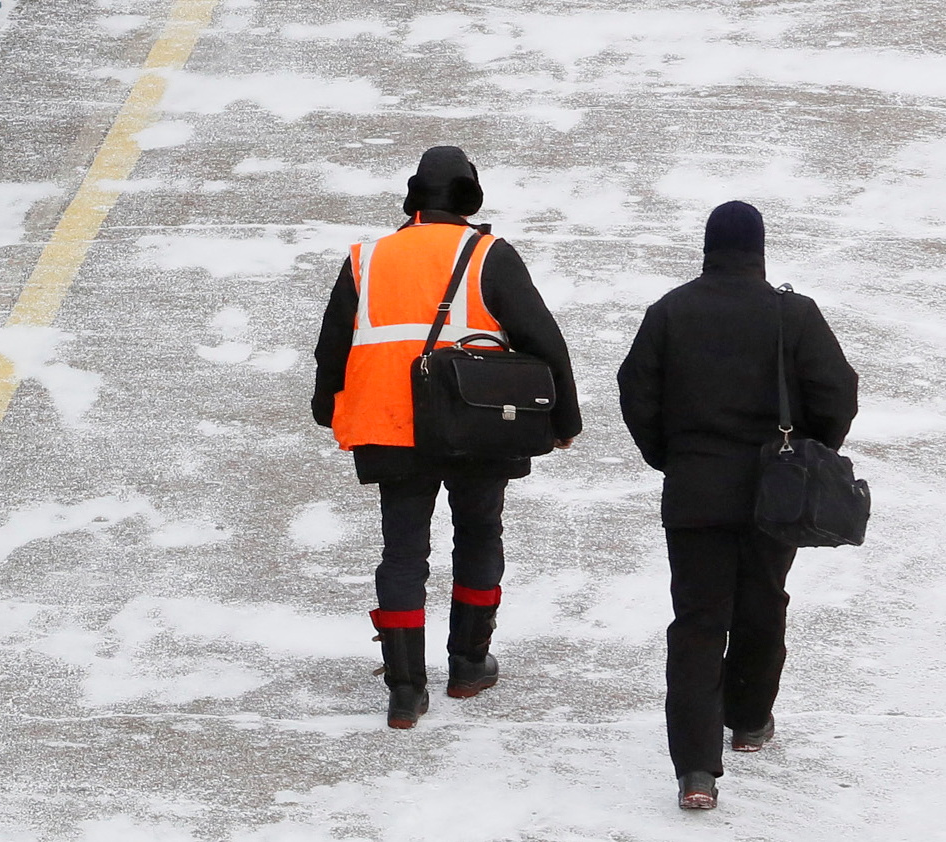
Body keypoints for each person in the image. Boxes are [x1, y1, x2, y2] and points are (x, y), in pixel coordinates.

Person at [312, 146, 581, 726]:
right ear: (469, 197)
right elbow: (545, 342)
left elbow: (332, 348)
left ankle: (406, 691)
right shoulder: (489, 254)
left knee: (403, 551)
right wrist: (565, 421)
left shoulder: (367, 259)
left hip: (391, 427)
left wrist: (325, 407)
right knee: (479, 533)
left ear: (414, 197)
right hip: (477, 427)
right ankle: (468, 665)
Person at [617, 201, 856, 813]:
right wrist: (808, 450)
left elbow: (635, 389)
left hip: (695, 490)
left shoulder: (670, 311)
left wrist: (669, 455)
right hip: (773, 491)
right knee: (764, 601)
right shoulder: (791, 312)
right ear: (760, 249)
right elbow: (837, 390)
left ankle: (697, 770)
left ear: (707, 247)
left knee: (697, 622)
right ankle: (749, 721)